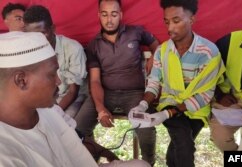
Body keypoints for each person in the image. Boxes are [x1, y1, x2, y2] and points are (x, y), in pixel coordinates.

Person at [0, 31, 151, 167]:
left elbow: (78, 139)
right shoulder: (4, 155)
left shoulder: (51, 110)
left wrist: (108, 154)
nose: (59, 81)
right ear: (21, 80)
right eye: (52, 74)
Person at [129, 0, 225, 166]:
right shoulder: (162, 51)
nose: (170, 28)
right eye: (167, 22)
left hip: (197, 109)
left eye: (176, 21)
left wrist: (168, 114)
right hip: (169, 102)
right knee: (183, 143)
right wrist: (143, 105)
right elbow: (153, 82)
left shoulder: (209, 53)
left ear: (192, 19)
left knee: (177, 152)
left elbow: (205, 95)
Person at [74, 0, 159, 165]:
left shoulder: (136, 32)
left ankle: (149, 163)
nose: (109, 20)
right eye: (104, 14)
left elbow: (154, 43)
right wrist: (100, 109)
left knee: (146, 130)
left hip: (134, 95)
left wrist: (155, 55)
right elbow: (95, 81)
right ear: (99, 15)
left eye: (114, 14)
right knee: (76, 130)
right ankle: (92, 158)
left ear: (120, 15)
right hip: (106, 94)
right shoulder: (94, 45)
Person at [23, 5, 88, 118]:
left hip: (73, 97)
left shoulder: (73, 48)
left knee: (65, 124)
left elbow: (73, 91)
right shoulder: (29, 51)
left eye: (42, 33)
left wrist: (53, 115)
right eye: (32, 36)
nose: (38, 39)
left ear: (53, 29)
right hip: (45, 98)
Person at [209, 29, 242, 151]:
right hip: (233, 100)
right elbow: (207, 74)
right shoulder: (229, 42)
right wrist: (220, 95)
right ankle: (239, 161)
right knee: (220, 137)